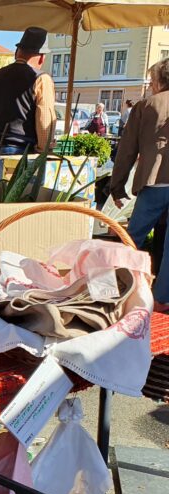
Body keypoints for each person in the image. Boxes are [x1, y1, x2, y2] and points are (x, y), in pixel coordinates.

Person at [111, 57, 169, 308]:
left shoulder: (146, 105)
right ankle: (162, 299)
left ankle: (118, 288)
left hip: (154, 180)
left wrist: (116, 185)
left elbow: (126, 150)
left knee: (131, 238)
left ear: (157, 81)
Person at [0, 26, 56, 160]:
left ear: (16, 53)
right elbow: (44, 123)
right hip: (17, 151)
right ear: (42, 58)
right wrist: (43, 151)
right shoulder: (41, 79)